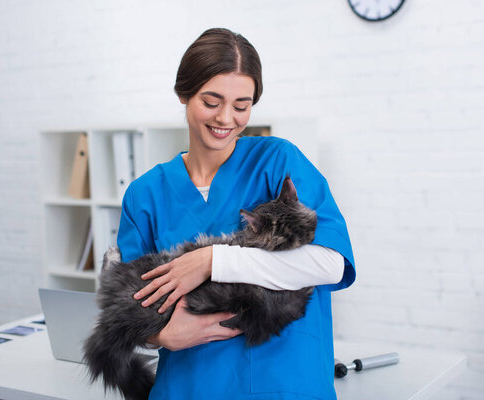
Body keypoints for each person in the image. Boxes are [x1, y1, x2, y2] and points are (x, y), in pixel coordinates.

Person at [116, 27, 356, 400]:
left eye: (241, 106)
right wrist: (159, 336)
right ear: (184, 95)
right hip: (188, 388)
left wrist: (214, 260)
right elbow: (131, 304)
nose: (226, 118)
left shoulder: (278, 161)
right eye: (211, 102)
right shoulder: (145, 195)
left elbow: (330, 263)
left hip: (285, 385)